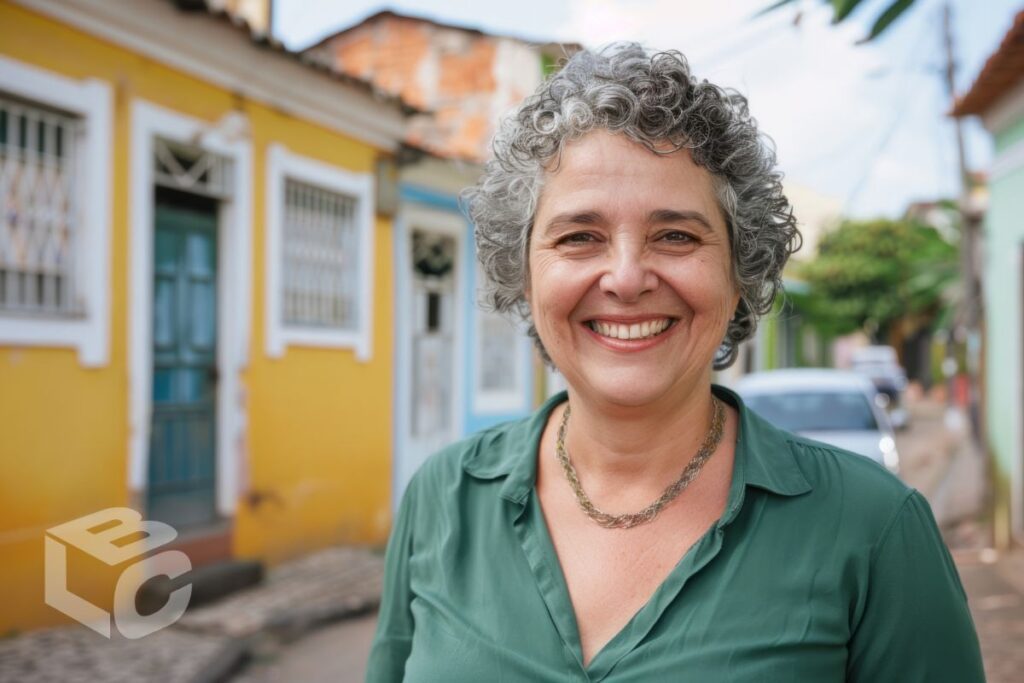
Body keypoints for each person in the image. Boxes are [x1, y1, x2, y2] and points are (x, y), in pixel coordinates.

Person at [366, 44, 984, 682]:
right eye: (580, 236)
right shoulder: (444, 499)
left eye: (676, 236)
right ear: (523, 273)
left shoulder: (874, 528)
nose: (627, 279)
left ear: (740, 272)